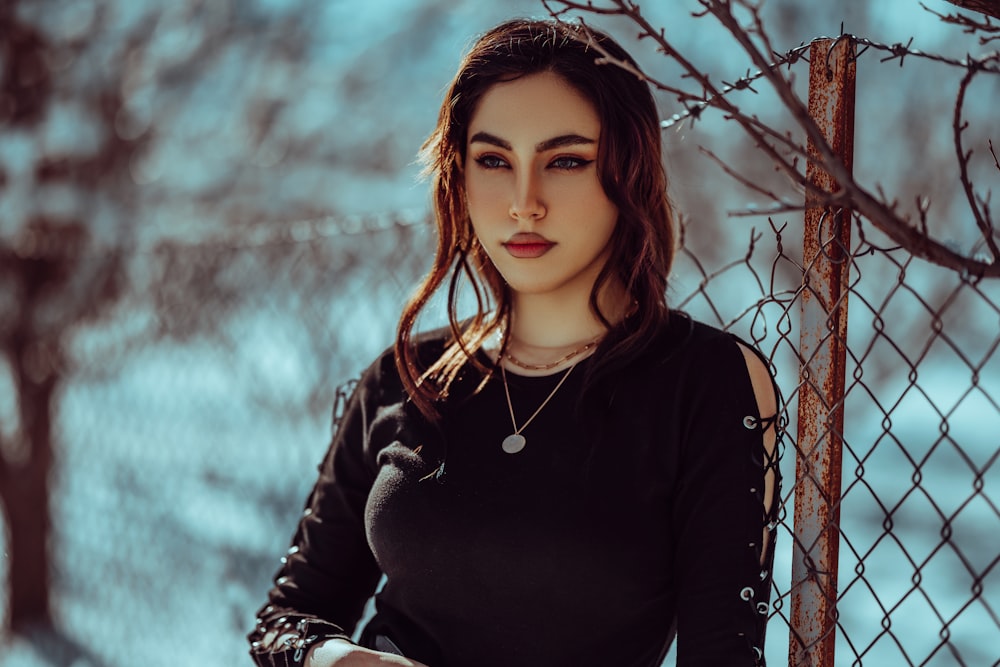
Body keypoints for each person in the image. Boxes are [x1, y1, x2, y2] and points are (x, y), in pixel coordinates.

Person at [248, 17, 781, 667]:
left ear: (629, 171)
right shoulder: (406, 374)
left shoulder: (705, 381)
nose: (524, 203)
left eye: (565, 161)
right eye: (495, 160)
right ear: (460, 177)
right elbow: (287, 617)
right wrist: (337, 659)